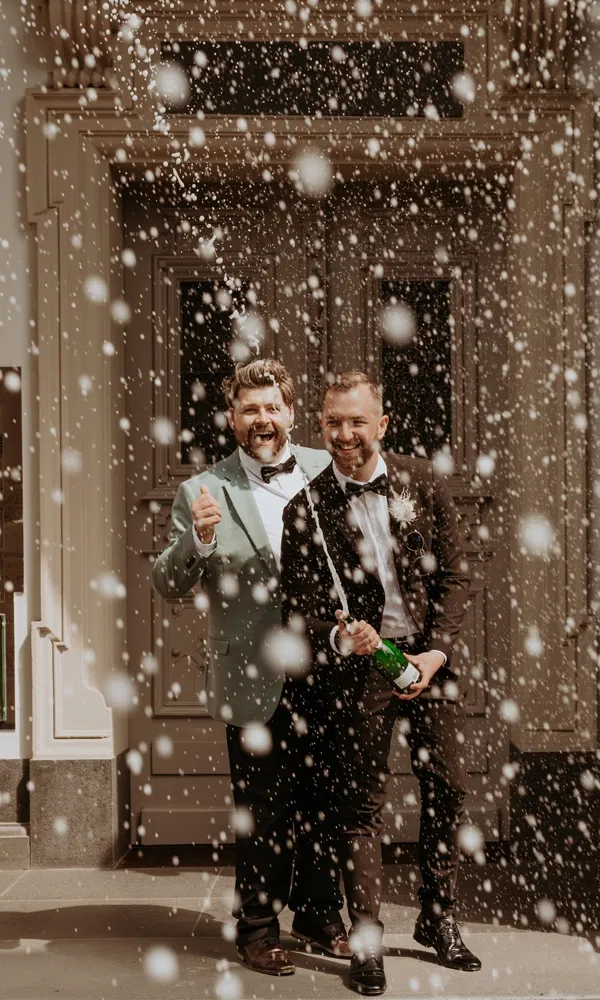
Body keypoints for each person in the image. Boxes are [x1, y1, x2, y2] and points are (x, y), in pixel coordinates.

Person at [280, 371, 481, 996]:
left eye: (356, 422)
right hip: (358, 672)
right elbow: (300, 609)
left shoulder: (424, 484)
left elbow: (455, 576)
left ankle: (438, 919)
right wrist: (343, 637)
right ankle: (364, 939)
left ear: (382, 424)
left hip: (428, 661)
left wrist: (437, 654)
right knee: (358, 806)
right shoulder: (304, 509)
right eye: (333, 423)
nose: (344, 435)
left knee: (447, 785)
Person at [152, 359, 351, 976]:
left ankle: (319, 914)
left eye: (272, 408)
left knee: (327, 800)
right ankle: (259, 927)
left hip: (330, 666)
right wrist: (199, 542)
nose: (262, 420)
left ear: (292, 414)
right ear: (233, 417)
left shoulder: (327, 469)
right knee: (263, 807)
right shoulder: (203, 489)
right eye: (250, 409)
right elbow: (167, 582)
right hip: (254, 673)